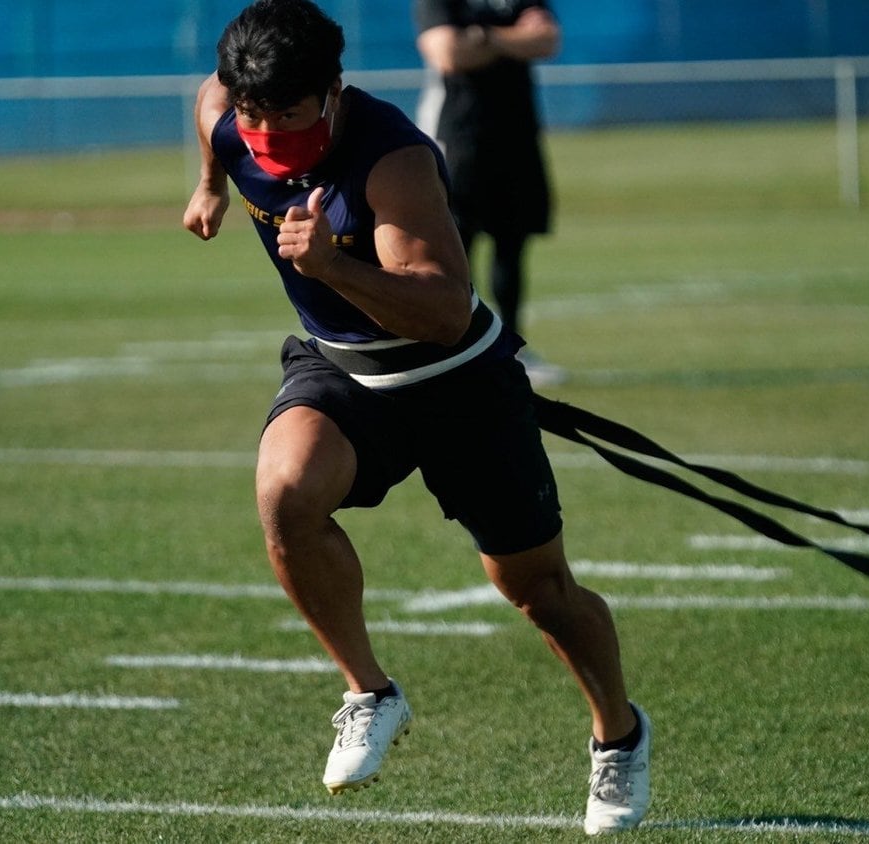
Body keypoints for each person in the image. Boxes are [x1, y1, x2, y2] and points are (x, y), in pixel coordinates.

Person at [182, 0, 648, 834]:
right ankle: (370, 692)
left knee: (538, 591)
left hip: (455, 378)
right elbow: (210, 106)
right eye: (252, 114)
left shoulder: (391, 158)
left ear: (332, 91)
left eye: (288, 115)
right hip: (345, 367)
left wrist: (333, 266)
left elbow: (441, 310)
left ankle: (618, 735)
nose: (266, 133)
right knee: (286, 491)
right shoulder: (229, 111)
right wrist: (211, 184)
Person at [414, 0, 565, 387]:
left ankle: (511, 350)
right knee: (456, 250)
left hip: (518, 135)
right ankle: (456, 350)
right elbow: (448, 53)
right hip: (460, 139)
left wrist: (483, 37)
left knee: (512, 245)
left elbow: (547, 40)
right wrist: (513, 37)